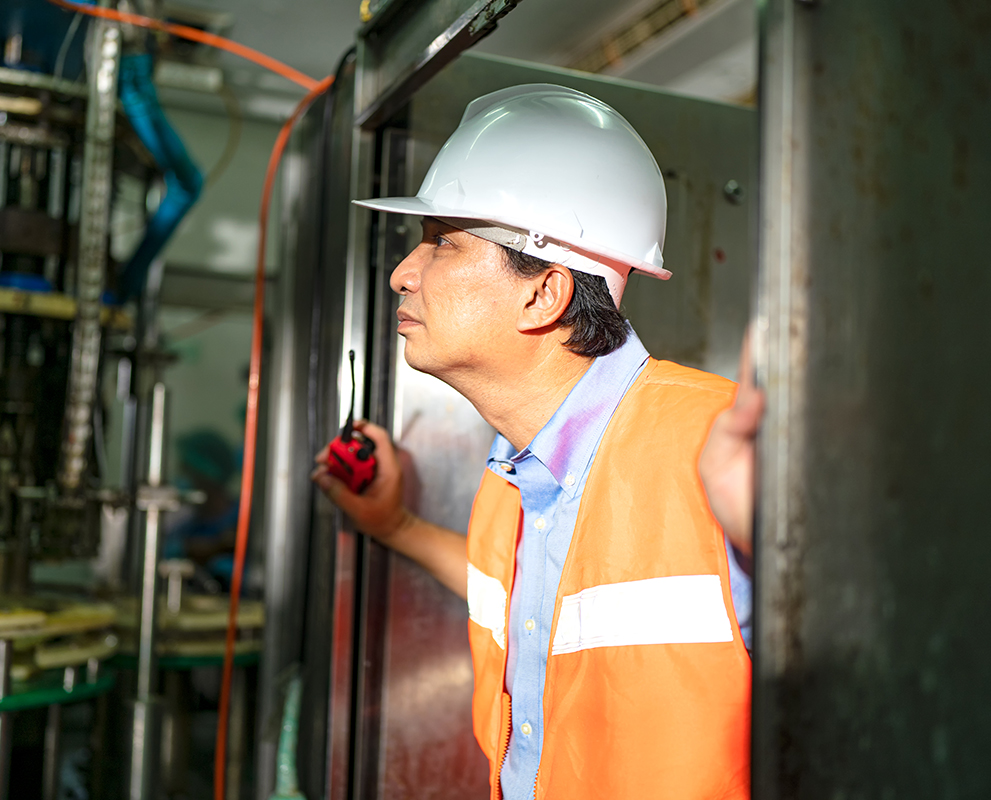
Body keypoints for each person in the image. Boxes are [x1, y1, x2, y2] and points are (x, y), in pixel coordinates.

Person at [312, 84, 762, 799]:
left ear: (544, 293)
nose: (403, 272)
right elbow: (548, 603)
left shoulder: (718, 448)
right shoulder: (516, 470)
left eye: (442, 244)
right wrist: (394, 525)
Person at [165, 428, 241, 589]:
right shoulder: (186, 527)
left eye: (187, 469)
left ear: (208, 474)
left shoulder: (244, 521)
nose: (181, 477)